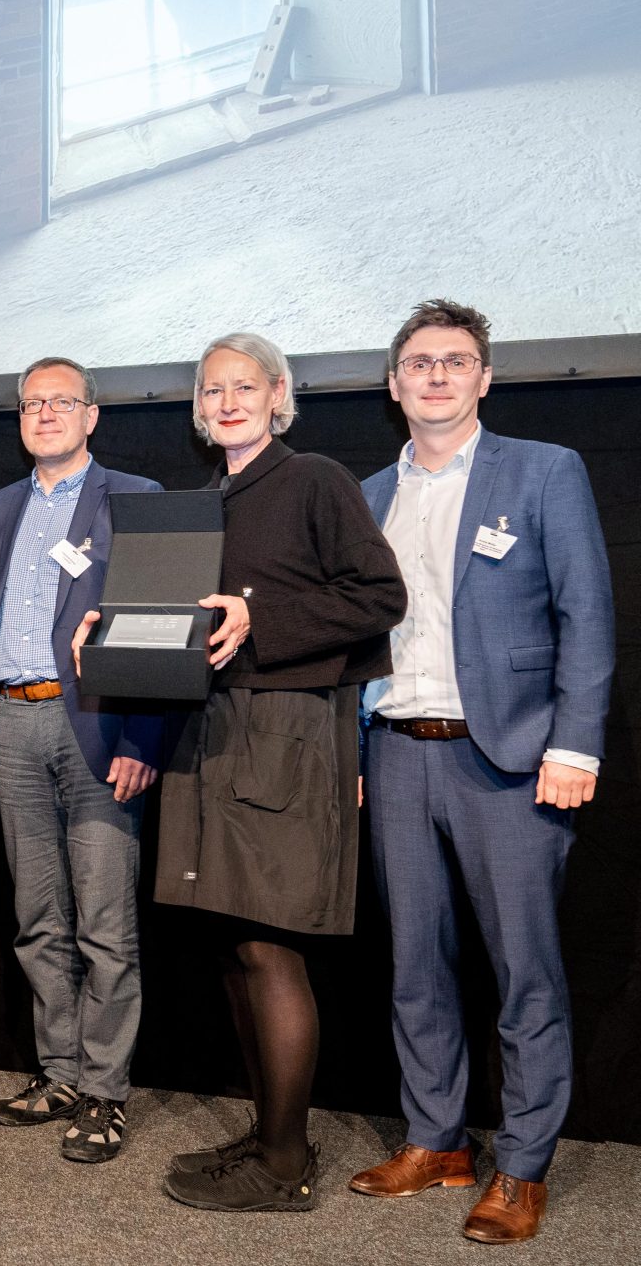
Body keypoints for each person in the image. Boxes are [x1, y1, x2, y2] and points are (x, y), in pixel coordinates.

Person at [78, 332, 405, 1212]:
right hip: (209, 732)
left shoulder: (316, 480)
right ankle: (269, 1135)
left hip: (287, 735)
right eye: (212, 389)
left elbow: (381, 597)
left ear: (278, 393)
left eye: (243, 387)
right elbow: (174, 620)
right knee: (231, 945)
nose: (226, 402)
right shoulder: (206, 500)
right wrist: (106, 633)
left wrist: (256, 616)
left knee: (269, 945)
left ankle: (287, 1163)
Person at [350, 300, 613, 1244]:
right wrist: (352, 748)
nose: (436, 376)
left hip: (508, 762)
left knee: (524, 973)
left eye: (455, 362)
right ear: (392, 383)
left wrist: (574, 745)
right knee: (416, 965)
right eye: (418, 363)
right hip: (396, 752)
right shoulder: (368, 491)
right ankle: (437, 1140)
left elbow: (586, 615)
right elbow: (351, 635)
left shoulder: (544, 472)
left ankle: (523, 1167)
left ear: (484, 378)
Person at [0, 358, 161, 1162]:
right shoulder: (0, 507)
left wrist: (144, 739)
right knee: (39, 922)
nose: (44, 414)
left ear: (92, 415)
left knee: (106, 928)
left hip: (101, 732)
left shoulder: (134, 500)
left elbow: (154, 626)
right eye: (31, 404)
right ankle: (62, 1074)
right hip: (14, 722)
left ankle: (107, 1095)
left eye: (60, 402)